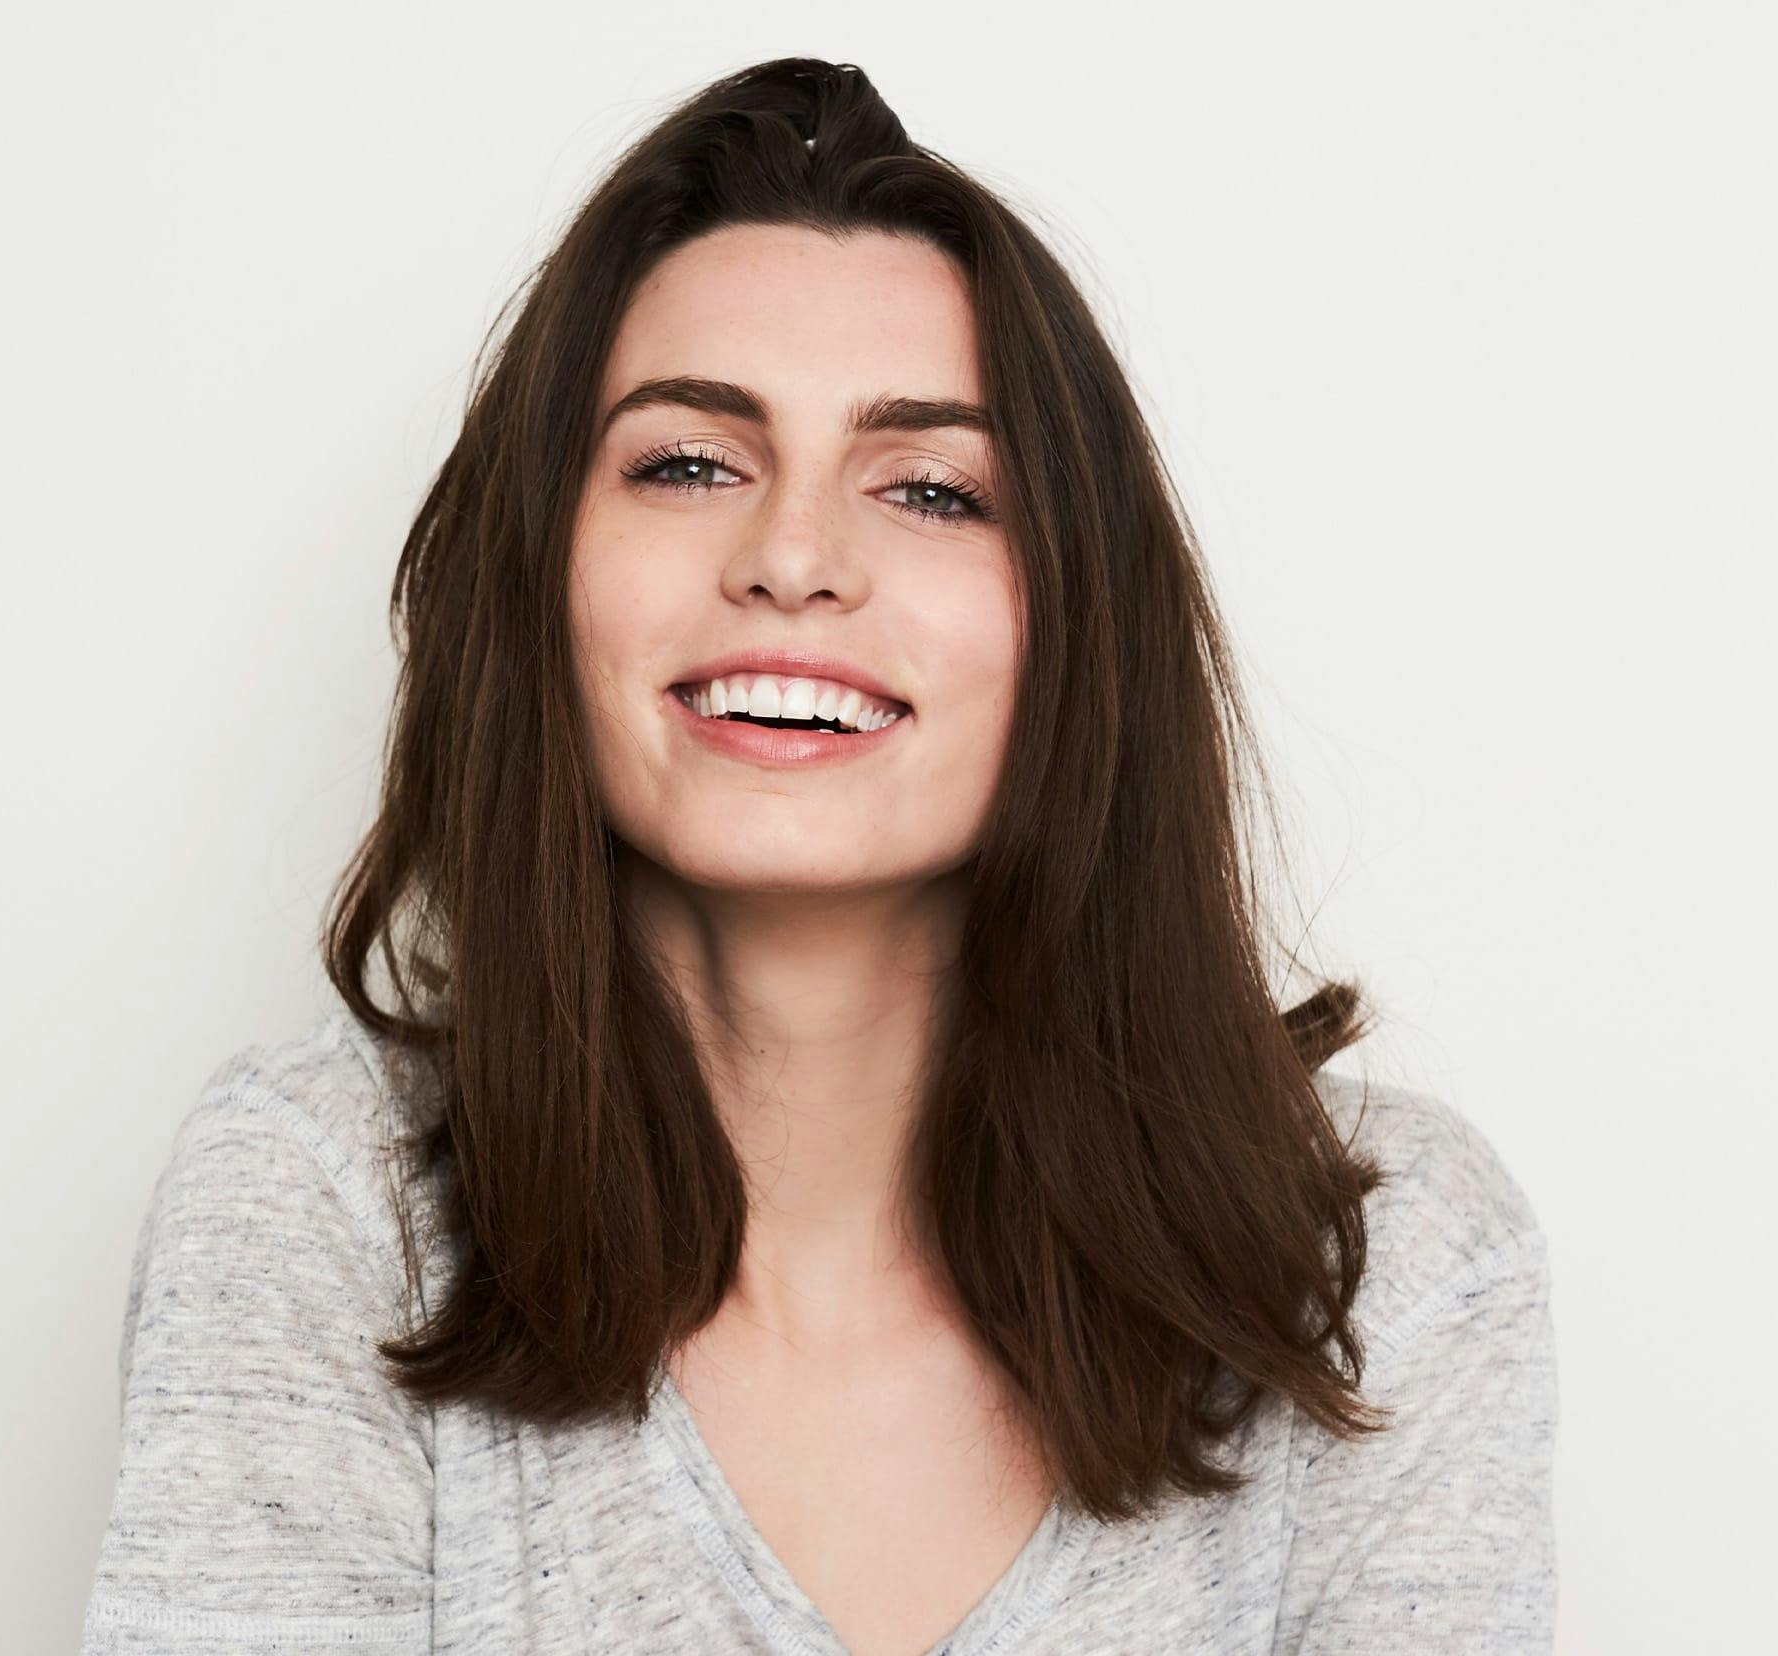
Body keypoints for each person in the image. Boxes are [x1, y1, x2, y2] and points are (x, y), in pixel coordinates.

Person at [81, 57, 1557, 1656]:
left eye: (930, 487)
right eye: (687, 464)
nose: (791, 559)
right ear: (538, 581)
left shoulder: (1382, 1268)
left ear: (1077, 628)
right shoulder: (321, 1201)